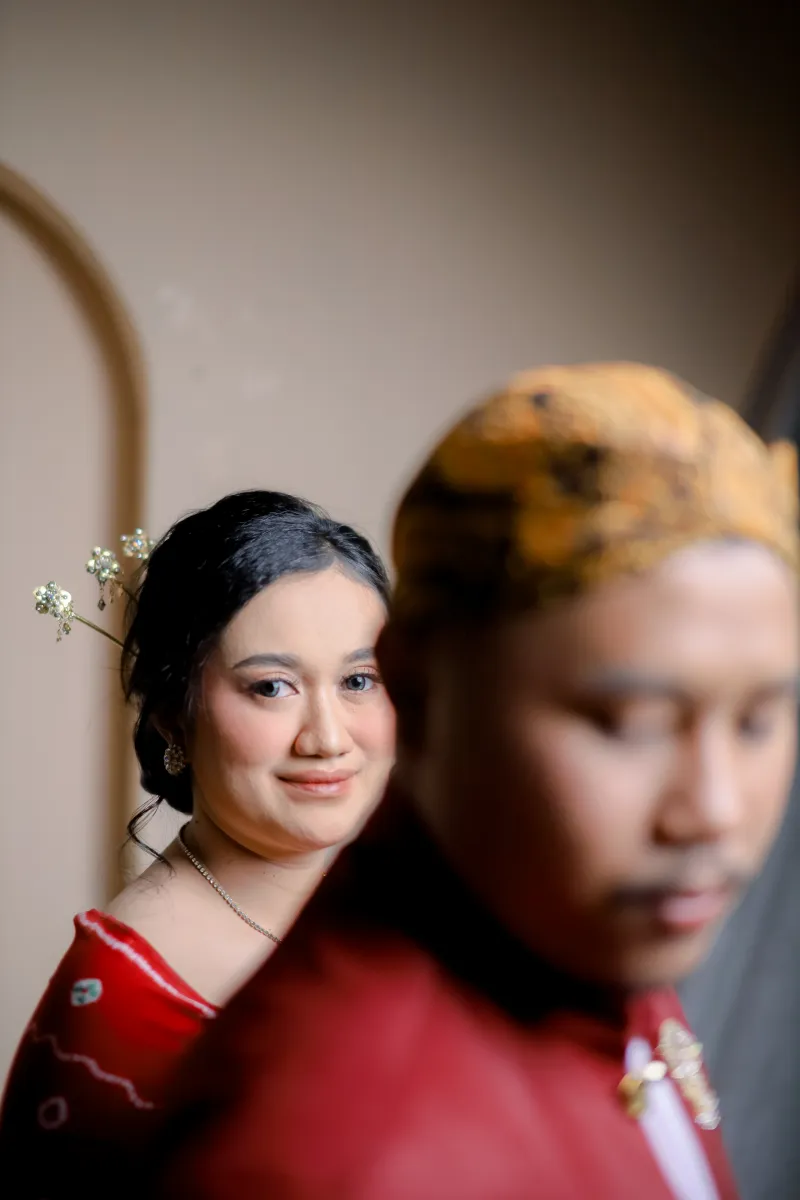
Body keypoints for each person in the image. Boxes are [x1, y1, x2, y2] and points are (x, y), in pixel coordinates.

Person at [145, 365, 799, 1200]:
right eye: (630, 725)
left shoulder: (581, 928)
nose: (713, 810)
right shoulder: (328, 1159)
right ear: (418, 692)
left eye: (757, 722)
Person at [0, 489, 395, 1185]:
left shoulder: (398, 902)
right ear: (172, 718)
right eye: (272, 687)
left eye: (358, 679)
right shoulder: (124, 1002)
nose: (329, 739)